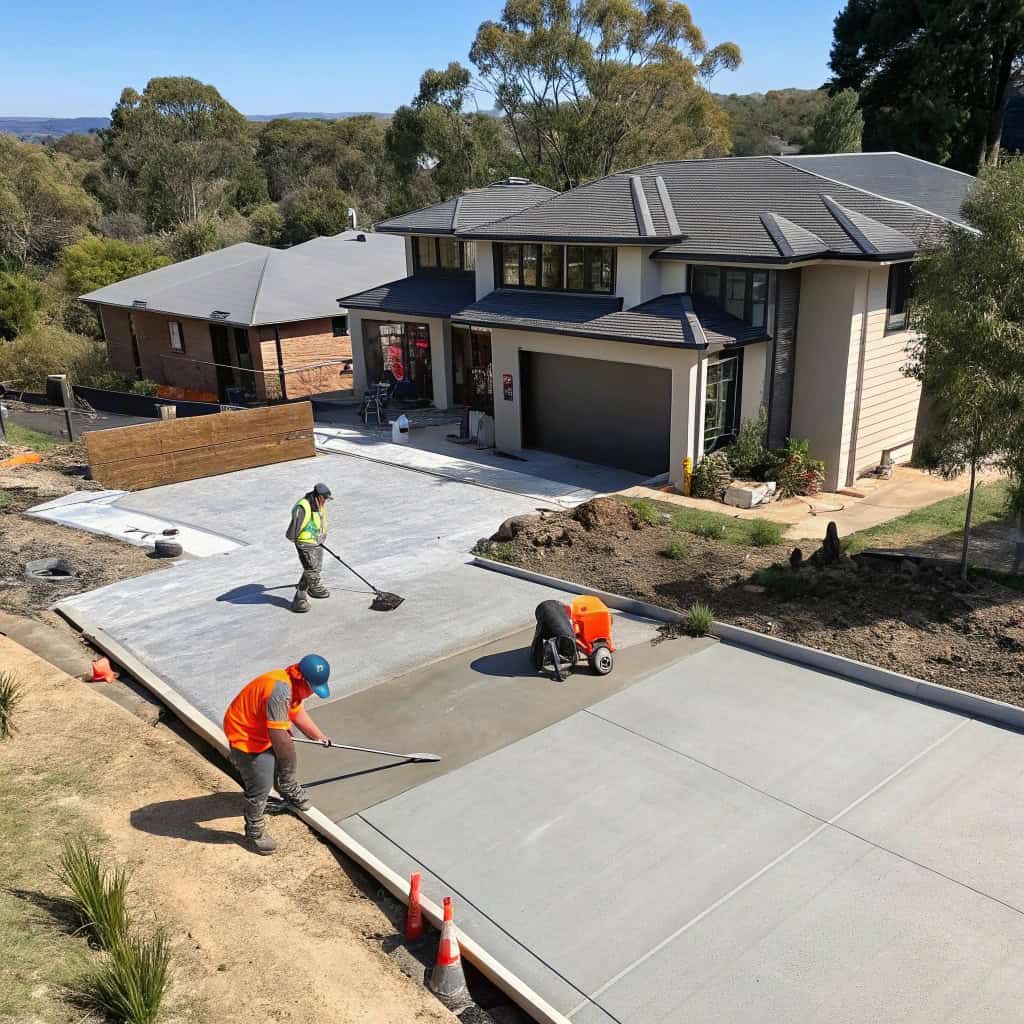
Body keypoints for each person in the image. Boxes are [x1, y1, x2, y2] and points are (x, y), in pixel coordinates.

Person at [223, 654, 333, 855]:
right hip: (246, 737)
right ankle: (254, 831)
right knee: (261, 785)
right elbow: (280, 738)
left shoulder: (291, 685)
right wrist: (288, 775)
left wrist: (318, 736)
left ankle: (285, 789)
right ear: (301, 679)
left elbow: (296, 712)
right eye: (312, 689)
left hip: (261, 729)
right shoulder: (280, 690)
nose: (312, 694)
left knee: (278, 763)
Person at [286, 482, 332, 613]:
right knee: (311, 570)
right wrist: (300, 546)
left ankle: (313, 588)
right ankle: (299, 599)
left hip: (317, 541)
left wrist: (321, 538)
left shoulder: (318, 504)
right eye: (326, 499)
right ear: (320, 497)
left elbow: (319, 522)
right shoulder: (303, 507)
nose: (326, 502)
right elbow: (294, 531)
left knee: (316, 568)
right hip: (304, 543)